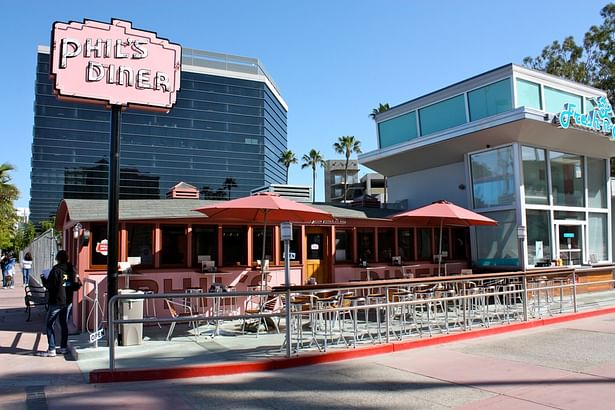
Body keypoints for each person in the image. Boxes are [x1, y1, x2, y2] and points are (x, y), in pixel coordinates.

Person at [39, 250, 76, 357]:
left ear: (58, 258)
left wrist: (43, 278)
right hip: (67, 300)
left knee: (50, 324)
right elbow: (70, 284)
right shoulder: (71, 269)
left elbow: (49, 285)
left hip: (56, 300)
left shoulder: (55, 270)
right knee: (63, 323)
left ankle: (52, 349)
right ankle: (63, 348)